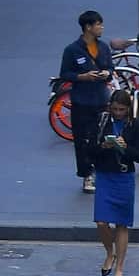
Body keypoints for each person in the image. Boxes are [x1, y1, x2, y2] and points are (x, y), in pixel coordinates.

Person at [93, 88, 139, 276]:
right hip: (105, 174)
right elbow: (90, 149)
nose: (117, 113)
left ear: (128, 109)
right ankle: (109, 252)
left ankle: (120, 268)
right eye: (114, 109)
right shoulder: (103, 121)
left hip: (124, 176)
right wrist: (103, 146)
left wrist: (124, 148)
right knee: (101, 221)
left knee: (122, 223)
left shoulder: (136, 126)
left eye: (121, 109)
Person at [59, 10, 114, 193]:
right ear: (88, 27)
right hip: (82, 101)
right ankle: (86, 174)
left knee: (103, 138)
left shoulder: (104, 48)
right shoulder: (72, 50)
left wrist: (107, 73)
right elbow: (65, 74)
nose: (101, 28)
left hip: (101, 99)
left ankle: (102, 171)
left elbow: (110, 68)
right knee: (82, 140)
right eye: (99, 24)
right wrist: (82, 76)